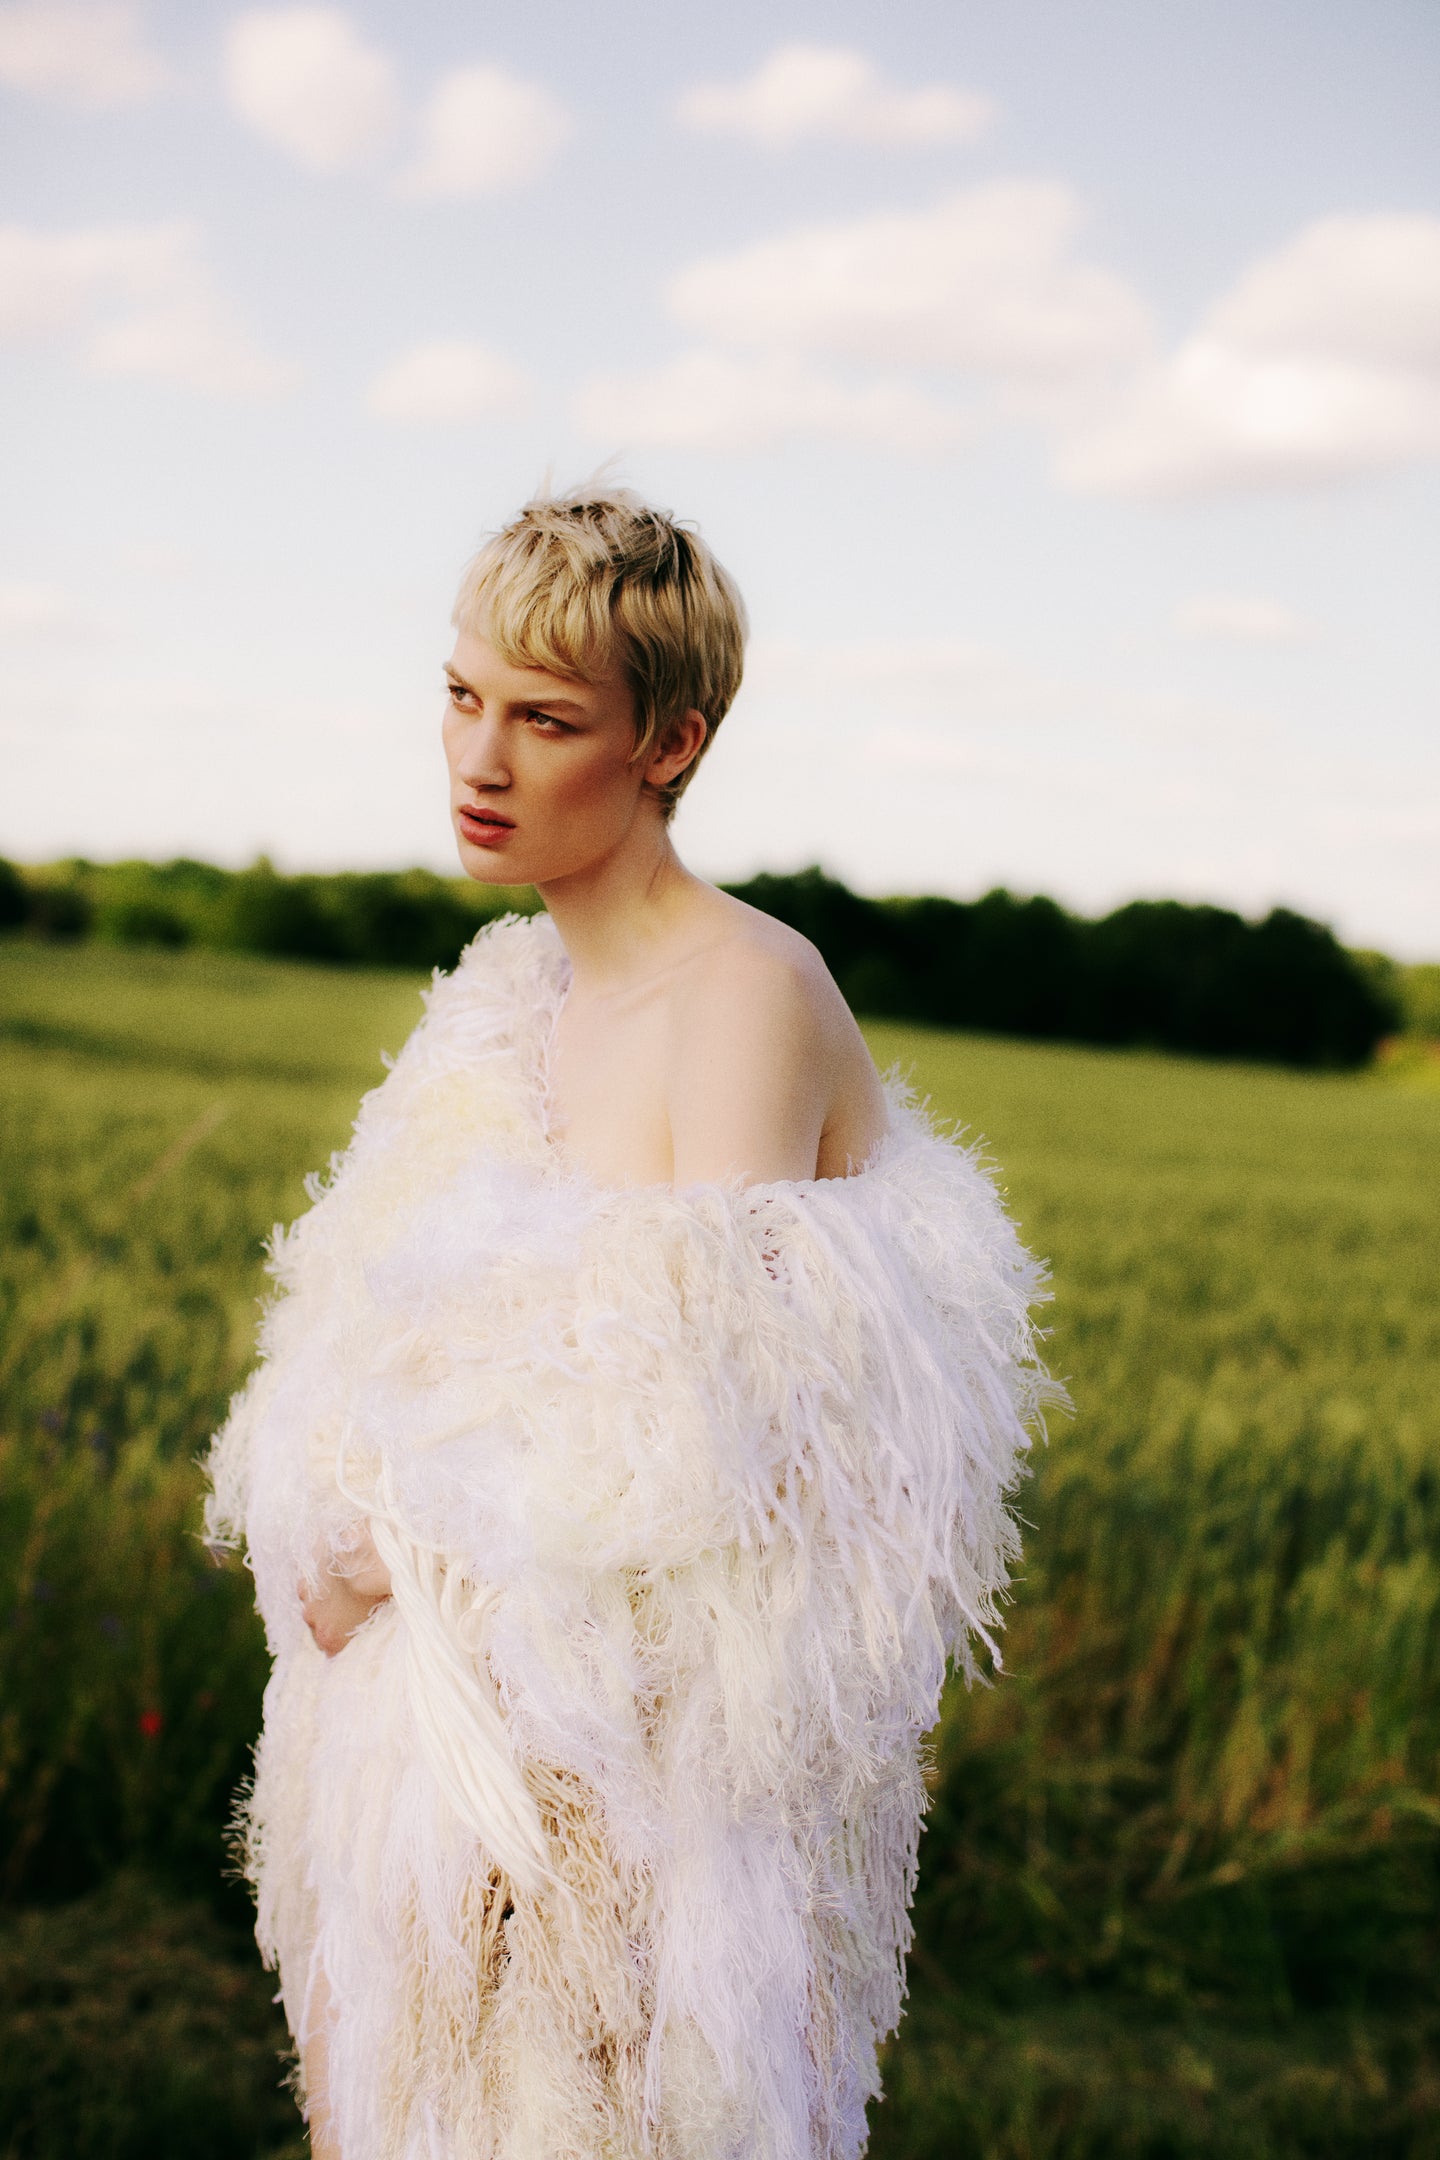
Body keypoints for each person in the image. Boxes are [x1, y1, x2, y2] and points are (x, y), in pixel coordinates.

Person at [205, 485, 1056, 2160]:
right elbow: (398, 1352)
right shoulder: (514, 1006)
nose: (482, 760)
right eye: (463, 697)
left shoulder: (741, 994)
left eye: (546, 719)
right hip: (470, 1818)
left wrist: (390, 1539)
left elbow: (706, 1447)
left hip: (653, 1828)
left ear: (670, 744)